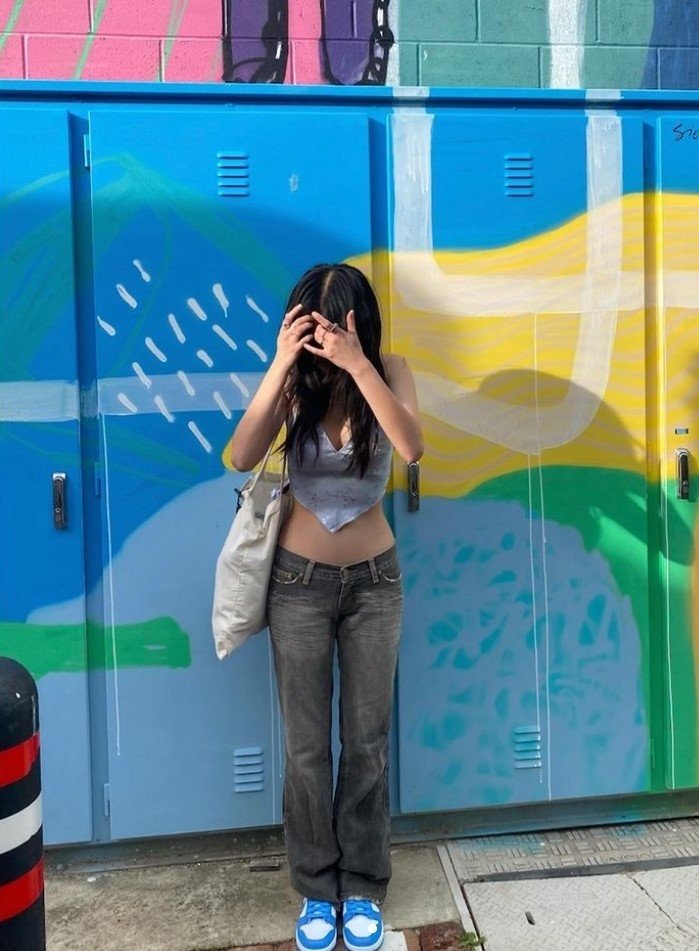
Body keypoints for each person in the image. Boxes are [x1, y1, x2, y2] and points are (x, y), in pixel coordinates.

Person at [229, 263, 423, 951]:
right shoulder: (294, 382)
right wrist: (282, 362)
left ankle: (362, 883)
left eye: (333, 327)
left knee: (366, 742)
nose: (323, 340)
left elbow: (412, 446)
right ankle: (316, 887)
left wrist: (358, 364)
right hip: (298, 584)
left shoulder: (388, 370)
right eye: (310, 327)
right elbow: (240, 454)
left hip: (375, 583)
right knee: (307, 747)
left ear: (357, 323)